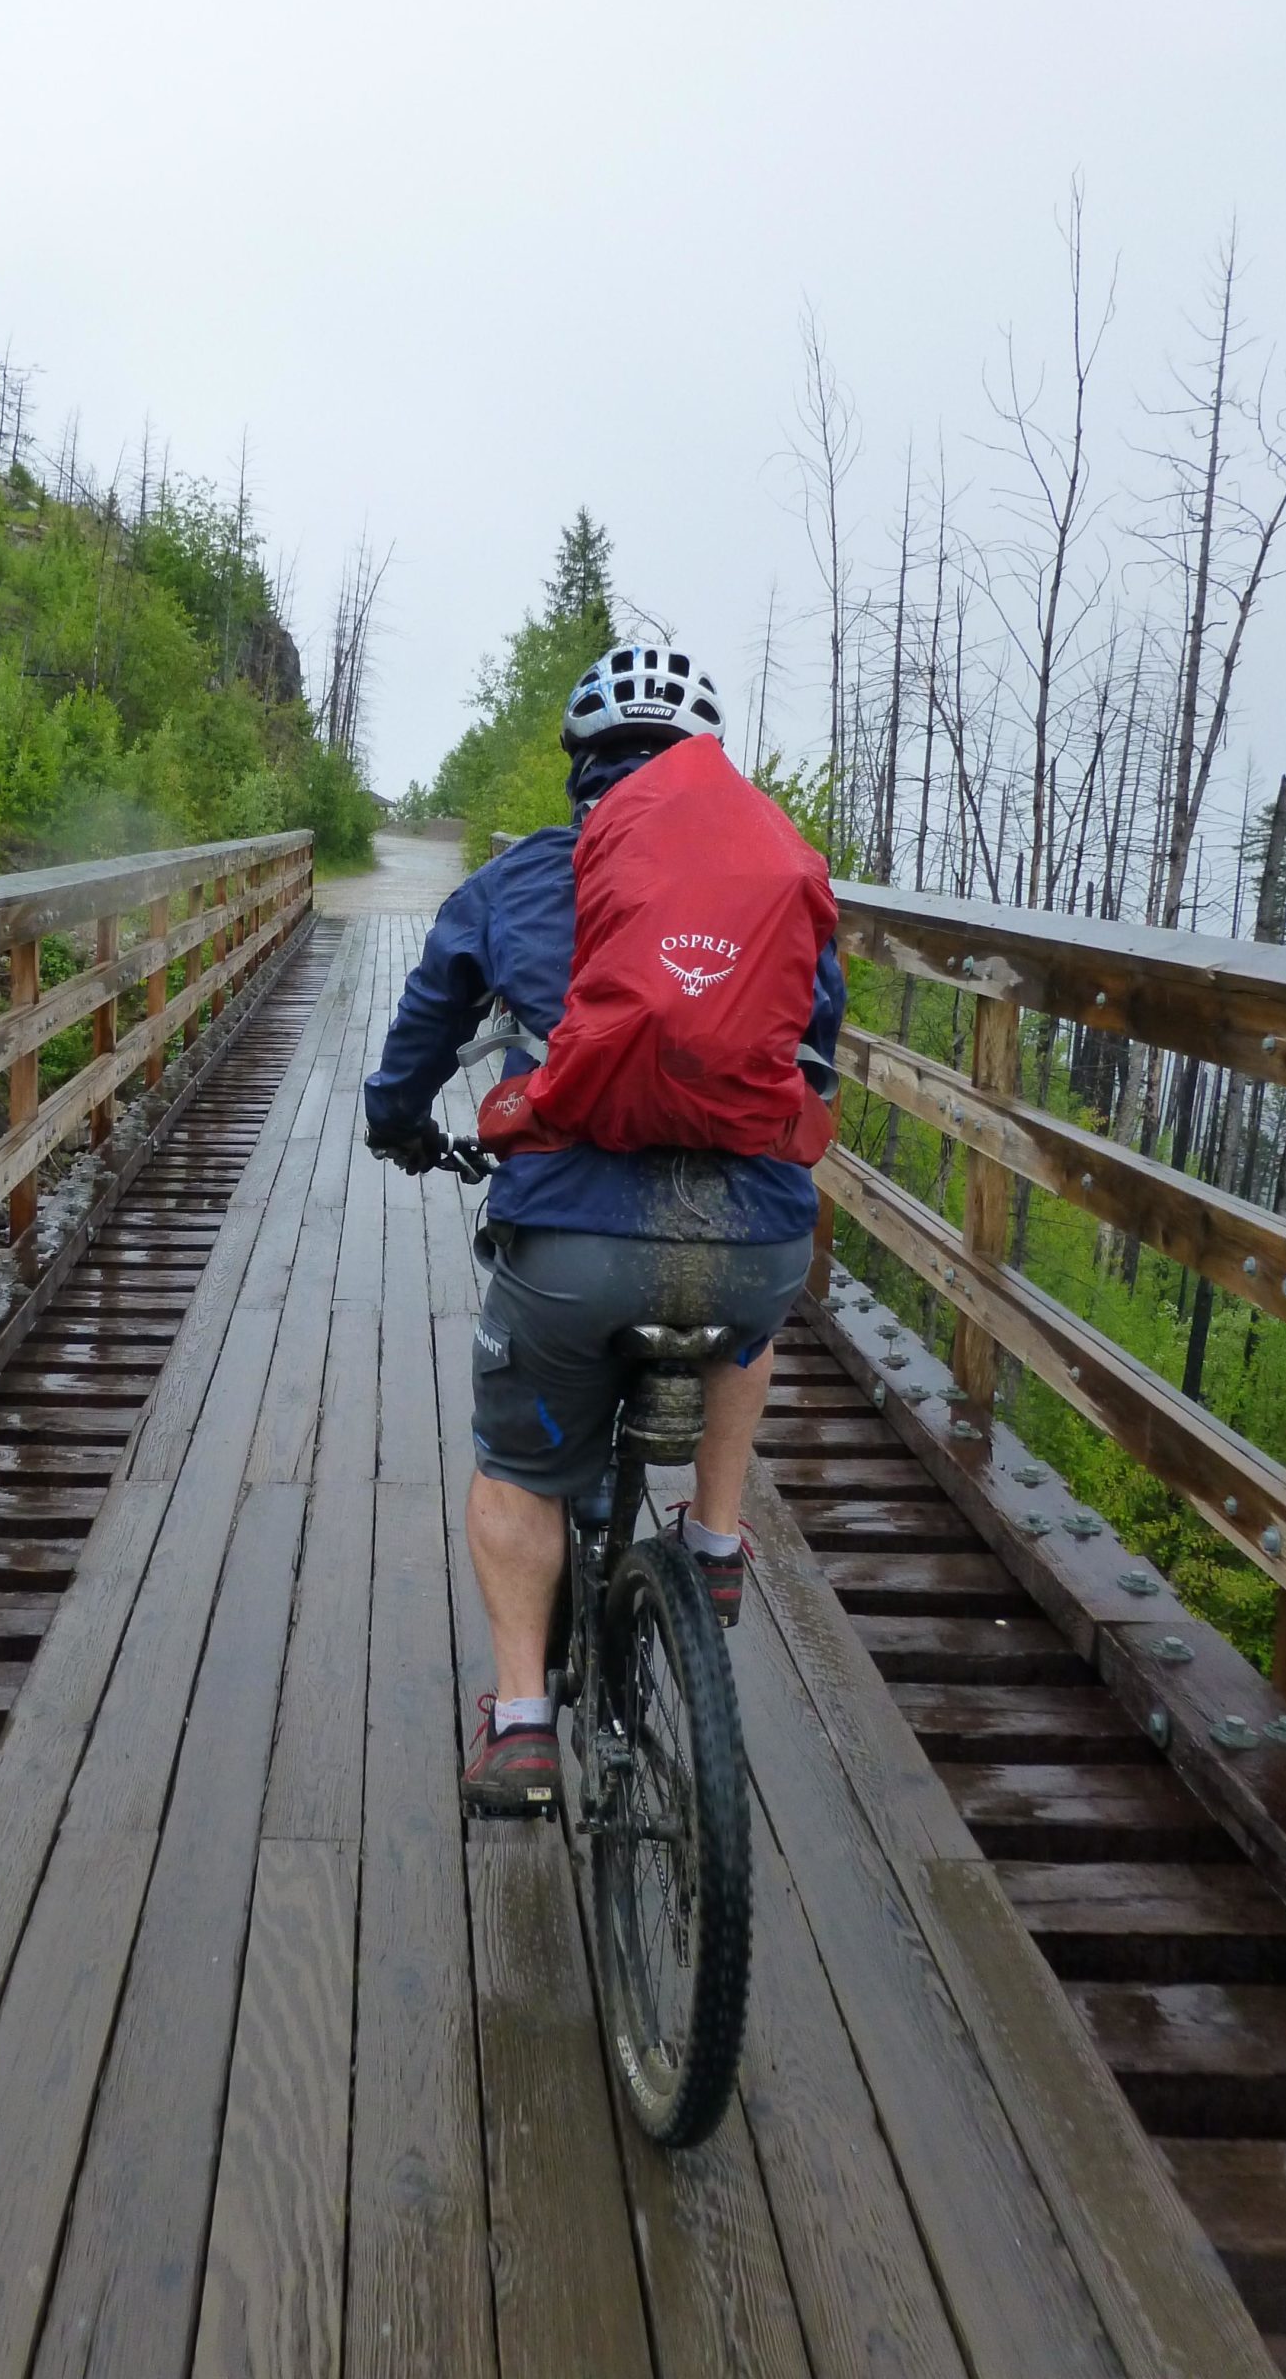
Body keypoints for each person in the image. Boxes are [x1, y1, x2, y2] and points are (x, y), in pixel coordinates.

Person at [362, 647, 844, 1817]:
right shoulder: (780, 873)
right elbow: (813, 1051)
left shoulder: (521, 878)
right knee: (750, 1322)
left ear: (582, 766)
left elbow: (425, 1033)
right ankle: (718, 1542)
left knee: (518, 1472)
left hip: (574, 1244)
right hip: (759, 1243)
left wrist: (397, 1123)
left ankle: (522, 1722)